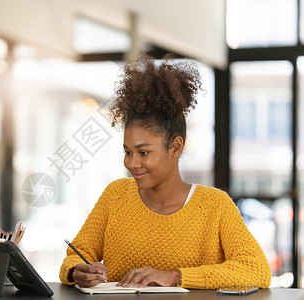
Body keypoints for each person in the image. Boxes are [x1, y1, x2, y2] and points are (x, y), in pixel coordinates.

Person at [59, 53, 271, 289]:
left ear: (175, 147)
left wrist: (174, 277)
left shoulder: (215, 206)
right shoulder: (115, 195)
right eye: (127, 152)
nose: (131, 163)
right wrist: (77, 270)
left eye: (144, 152)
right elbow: (76, 255)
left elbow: (257, 270)